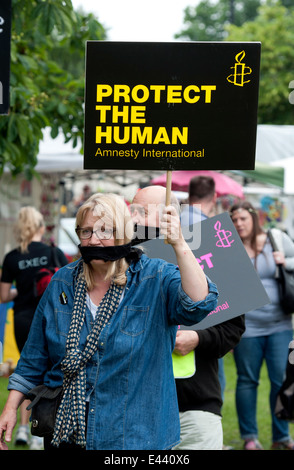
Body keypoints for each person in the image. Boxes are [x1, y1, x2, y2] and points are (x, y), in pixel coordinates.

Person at [0, 193, 218, 451]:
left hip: (134, 437)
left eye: (105, 230)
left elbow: (198, 304)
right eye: (86, 231)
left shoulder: (155, 277)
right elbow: (34, 357)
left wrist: (179, 243)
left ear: (124, 232)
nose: (93, 239)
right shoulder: (62, 282)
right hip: (67, 434)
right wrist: (10, 408)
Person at [131, 185, 245, 450]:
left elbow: (233, 328)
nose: (134, 219)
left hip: (195, 402)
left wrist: (198, 338)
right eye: (132, 211)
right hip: (137, 403)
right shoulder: (121, 256)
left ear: (169, 213)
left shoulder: (210, 248)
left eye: (142, 212)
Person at [0, 206, 68, 450]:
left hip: (22, 318)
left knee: (28, 369)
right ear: (42, 227)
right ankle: (40, 433)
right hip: (52, 319)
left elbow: (4, 295)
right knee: (48, 372)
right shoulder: (53, 252)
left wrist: (24, 291)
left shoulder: (12, 257)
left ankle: (21, 429)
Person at [230, 201, 294, 450]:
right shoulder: (230, 248)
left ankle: (281, 436)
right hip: (247, 329)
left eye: (243, 219)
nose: (239, 224)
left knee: (280, 380)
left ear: (254, 219)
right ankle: (249, 438)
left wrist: (284, 262)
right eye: (234, 220)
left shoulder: (275, 238)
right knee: (247, 380)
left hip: (280, 325)